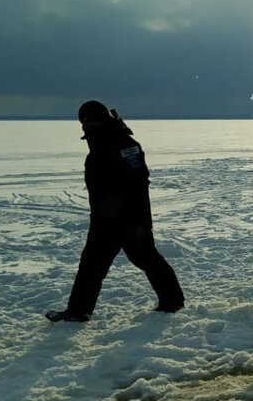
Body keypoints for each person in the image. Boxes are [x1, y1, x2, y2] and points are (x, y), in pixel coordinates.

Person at [46, 101, 184, 322]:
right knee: (91, 264)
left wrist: (137, 220)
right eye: (83, 121)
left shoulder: (125, 144)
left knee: (146, 259)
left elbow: (140, 181)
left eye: (90, 119)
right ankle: (78, 311)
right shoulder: (99, 143)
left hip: (130, 219)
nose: (85, 125)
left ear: (102, 119)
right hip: (104, 219)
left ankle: (173, 301)